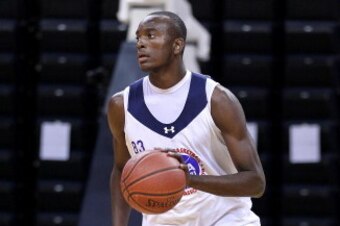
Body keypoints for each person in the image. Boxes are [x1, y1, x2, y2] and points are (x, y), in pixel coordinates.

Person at [107, 11, 266, 226]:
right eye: (139, 37)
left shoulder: (217, 100)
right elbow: (120, 170)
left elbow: (255, 183)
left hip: (227, 220)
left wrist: (189, 180)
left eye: (151, 36)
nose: (141, 44)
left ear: (177, 45)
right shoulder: (121, 105)